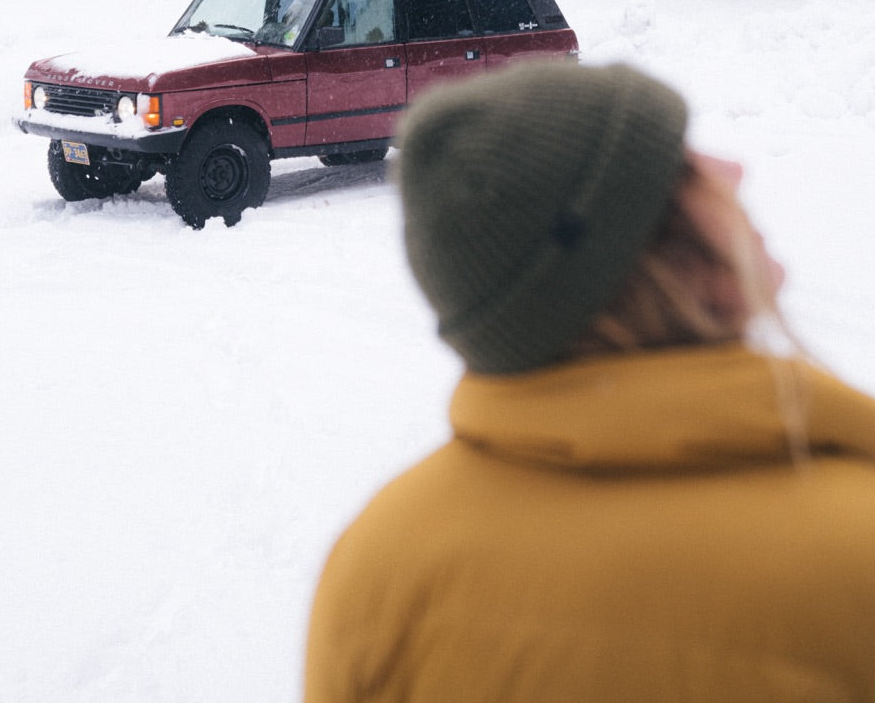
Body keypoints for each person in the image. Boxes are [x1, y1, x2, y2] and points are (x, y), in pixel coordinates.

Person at [304, 61, 875, 702]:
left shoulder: (378, 566)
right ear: (650, 254)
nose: (733, 170)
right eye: (682, 167)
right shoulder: (852, 553)